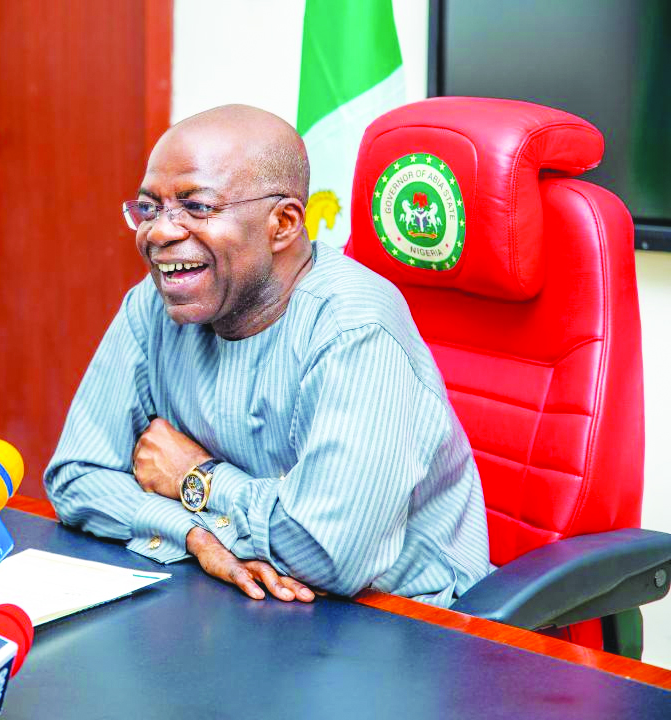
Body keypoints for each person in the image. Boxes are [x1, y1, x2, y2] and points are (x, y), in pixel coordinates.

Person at [44, 105, 491, 607]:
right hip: (237, 595)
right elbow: (76, 476)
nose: (160, 233)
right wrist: (195, 537)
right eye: (149, 208)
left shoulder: (355, 327)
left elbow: (328, 555)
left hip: (403, 618)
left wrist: (195, 477)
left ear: (283, 223)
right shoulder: (152, 304)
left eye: (197, 207)